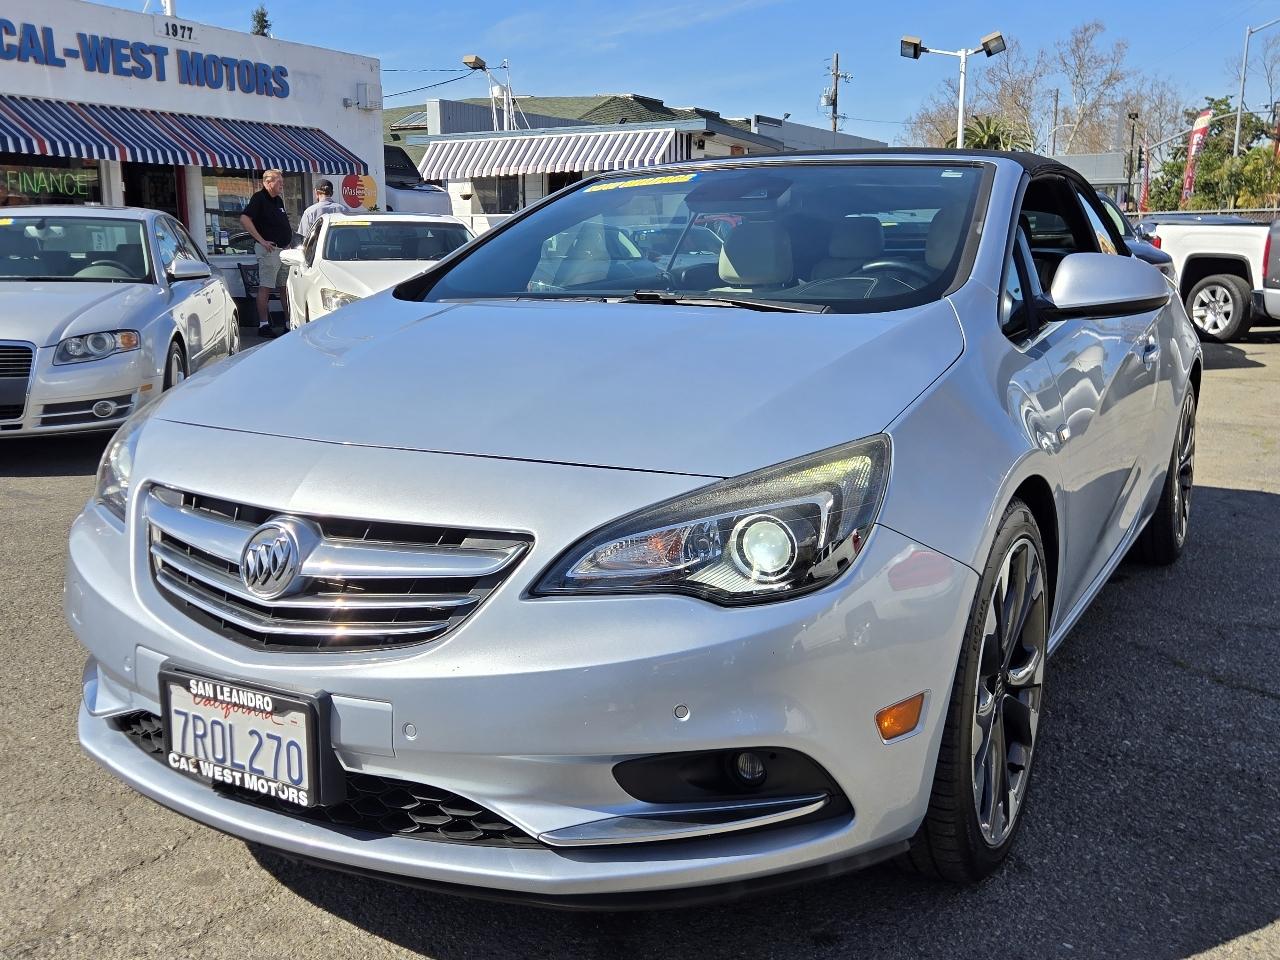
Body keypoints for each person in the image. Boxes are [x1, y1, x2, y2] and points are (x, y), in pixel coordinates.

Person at [239, 169, 292, 339]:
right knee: (266, 287)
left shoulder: (278, 200)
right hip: (270, 250)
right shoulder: (259, 198)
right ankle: (263, 325)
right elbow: (245, 219)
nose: (282, 185)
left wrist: (287, 242)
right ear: (268, 182)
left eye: (282, 182)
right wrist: (261, 240)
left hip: (283, 250)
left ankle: (288, 323)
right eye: (279, 182)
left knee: (285, 287)